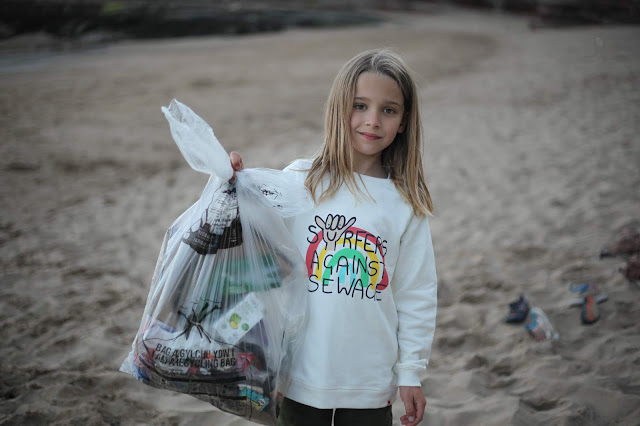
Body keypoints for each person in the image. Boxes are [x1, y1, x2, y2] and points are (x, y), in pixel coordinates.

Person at [230, 48, 437, 426]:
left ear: (404, 121)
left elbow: (415, 293)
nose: (372, 120)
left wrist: (410, 370)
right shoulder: (299, 181)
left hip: (370, 383)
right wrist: (233, 182)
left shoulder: (405, 203)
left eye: (388, 110)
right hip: (299, 377)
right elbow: (251, 243)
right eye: (360, 105)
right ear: (339, 108)